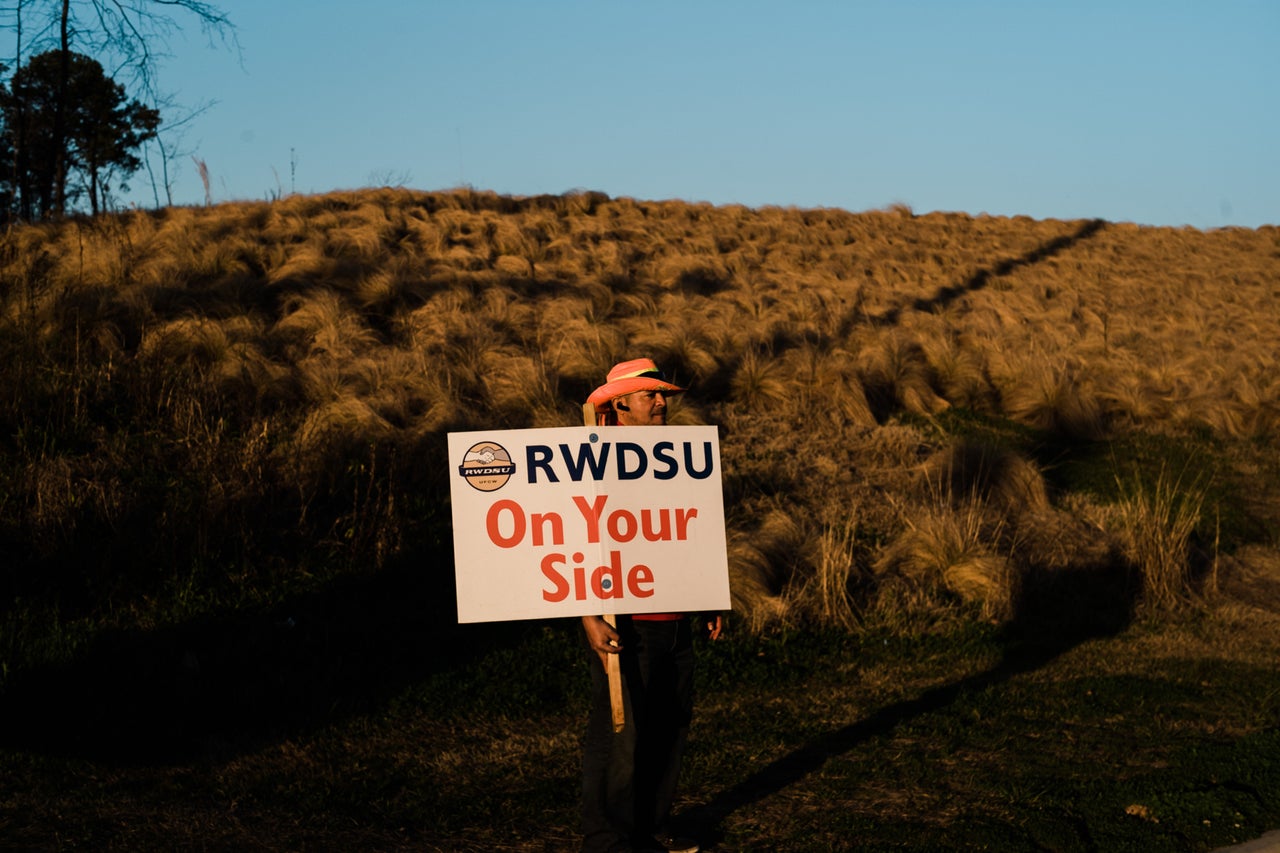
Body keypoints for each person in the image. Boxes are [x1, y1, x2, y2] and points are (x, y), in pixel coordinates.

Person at [579, 358, 724, 853]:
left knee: (669, 726)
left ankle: (651, 827)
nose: (662, 402)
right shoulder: (591, 458)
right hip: (626, 622)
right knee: (620, 733)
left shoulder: (676, 454)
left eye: (663, 395)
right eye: (650, 395)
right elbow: (572, 539)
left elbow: (689, 527)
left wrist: (708, 595)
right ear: (620, 403)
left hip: (676, 619)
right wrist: (588, 616)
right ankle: (607, 840)